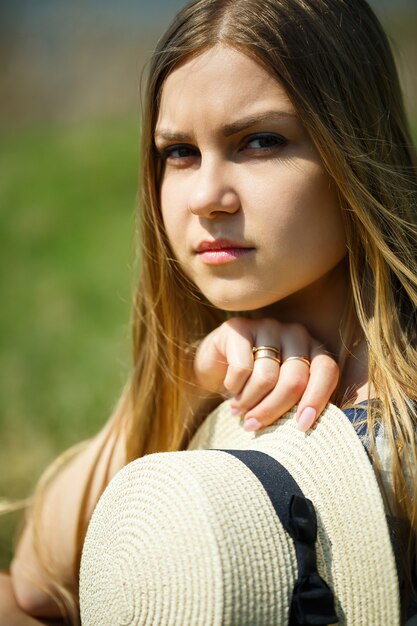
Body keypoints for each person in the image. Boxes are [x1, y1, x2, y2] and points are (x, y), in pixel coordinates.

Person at [2, 0, 417, 623]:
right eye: (178, 152)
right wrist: (187, 384)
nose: (205, 197)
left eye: (259, 141)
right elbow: (32, 586)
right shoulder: (209, 375)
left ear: (352, 146)